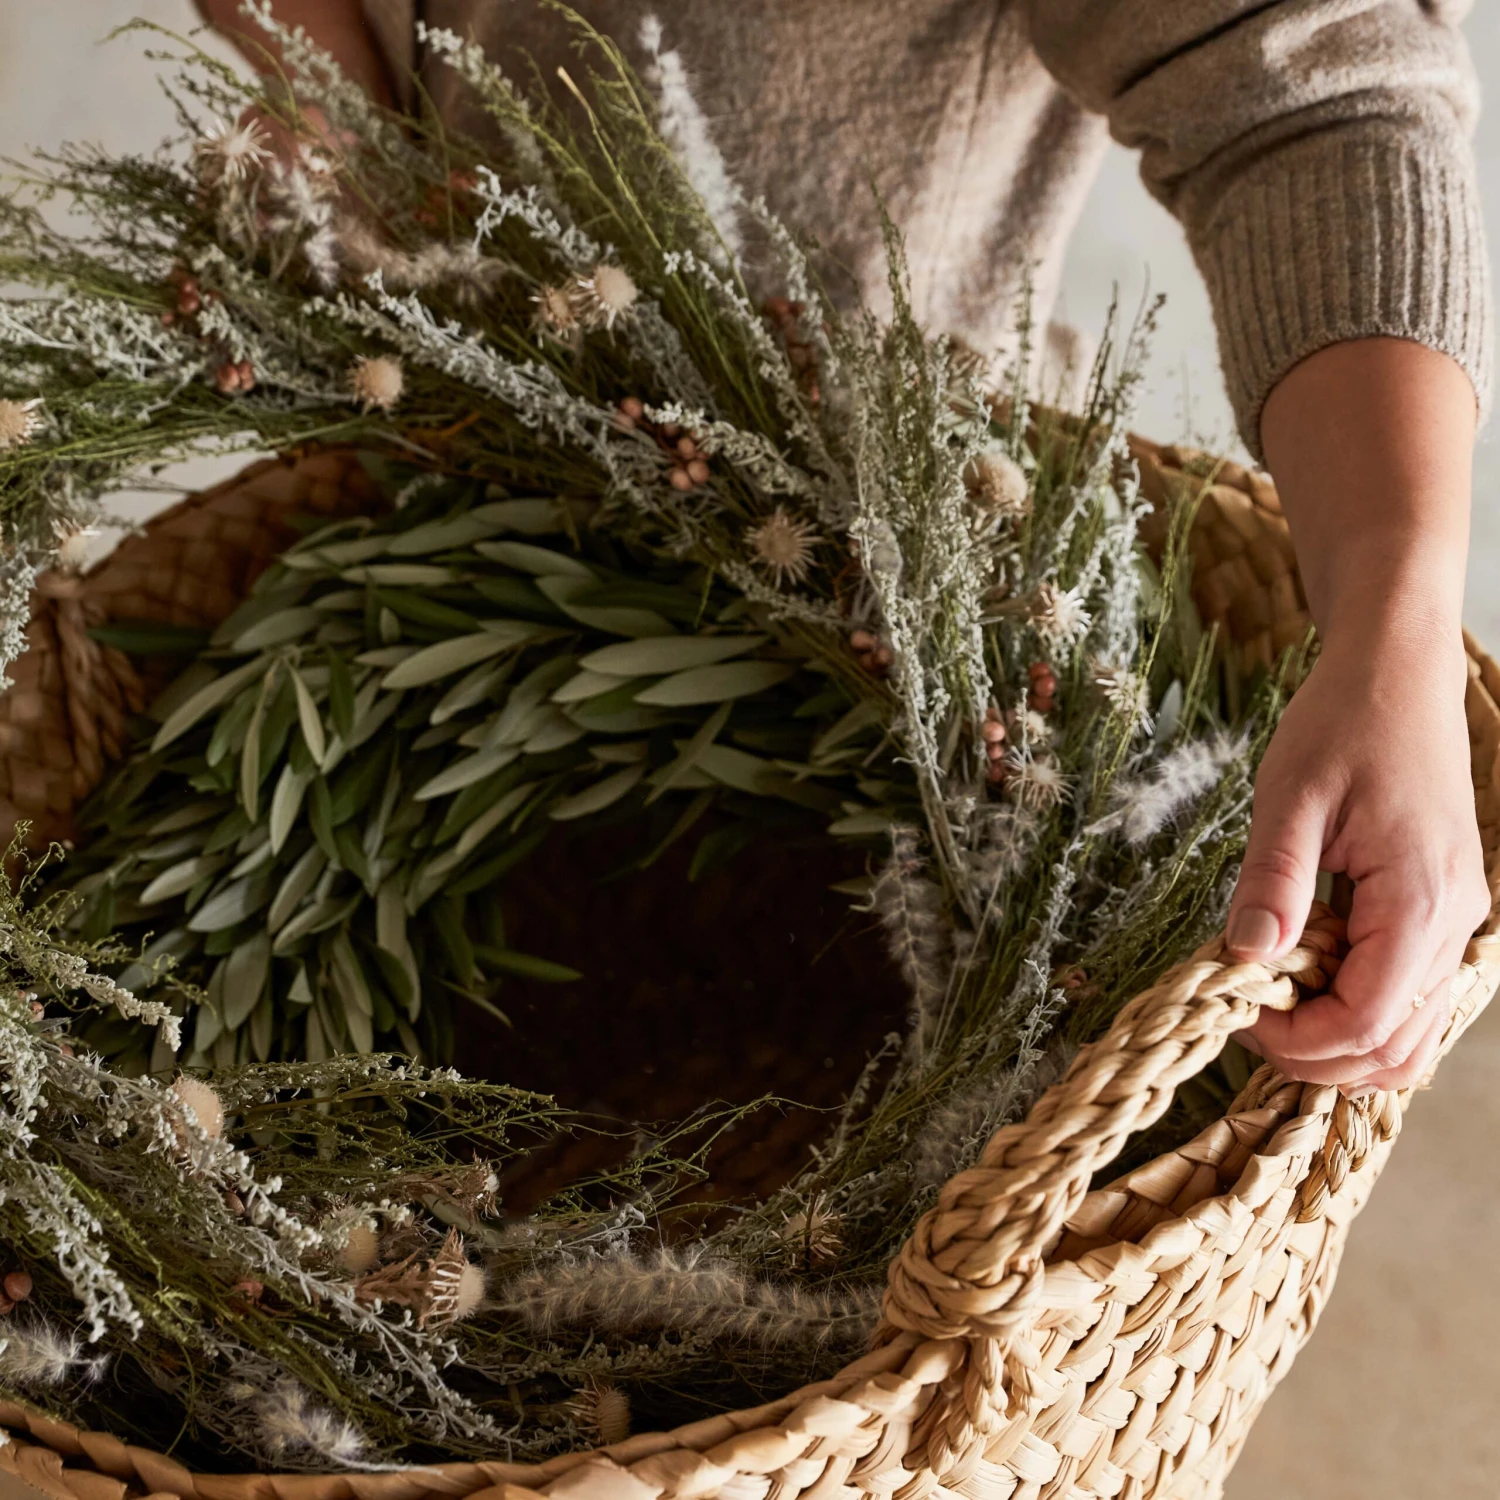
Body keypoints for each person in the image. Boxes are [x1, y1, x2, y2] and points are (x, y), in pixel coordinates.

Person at [198, 0, 1493, 1096]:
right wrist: (328, 116)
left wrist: (1394, 620)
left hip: (906, 647)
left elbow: (1308, 93)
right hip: (450, 547)